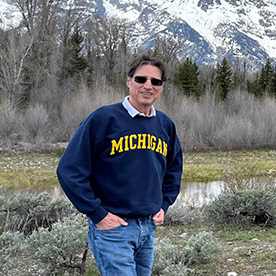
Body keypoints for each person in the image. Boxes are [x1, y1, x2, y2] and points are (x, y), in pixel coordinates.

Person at [57, 55, 183, 276]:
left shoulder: (165, 124)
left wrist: (164, 204)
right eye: (141, 79)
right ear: (128, 81)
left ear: (162, 87)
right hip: (114, 229)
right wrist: (98, 214)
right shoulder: (103, 118)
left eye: (156, 81)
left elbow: (173, 169)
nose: (148, 86)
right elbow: (69, 171)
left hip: (148, 227)